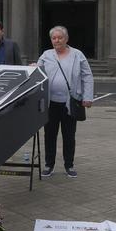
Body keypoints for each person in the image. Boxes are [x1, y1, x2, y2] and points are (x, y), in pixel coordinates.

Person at [37, 25, 94, 178]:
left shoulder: (77, 55)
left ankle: (69, 165)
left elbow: (87, 76)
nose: (57, 41)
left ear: (66, 39)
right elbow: (37, 73)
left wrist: (87, 97)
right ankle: (49, 165)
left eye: (60, 37)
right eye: (54, 38)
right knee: (49, 135)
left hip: (70, 103)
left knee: (69, 135)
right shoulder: (46, 55)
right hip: (51, 103)